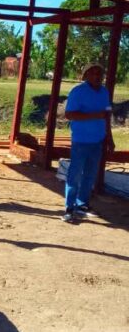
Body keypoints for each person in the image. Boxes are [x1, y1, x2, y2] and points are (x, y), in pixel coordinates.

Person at [62, 64, 114, 222]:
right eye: (93, 73)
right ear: (86, 76)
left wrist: (109, 138)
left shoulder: (104, 92)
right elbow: (69, 114)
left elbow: (106, 116)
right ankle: (69, 208)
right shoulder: (78, 92)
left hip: (97, 141)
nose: (97, 76)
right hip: (81, 140)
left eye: (100, 73)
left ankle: (82, 204)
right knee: (75, 174)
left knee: (90, 175)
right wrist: (94, 115)